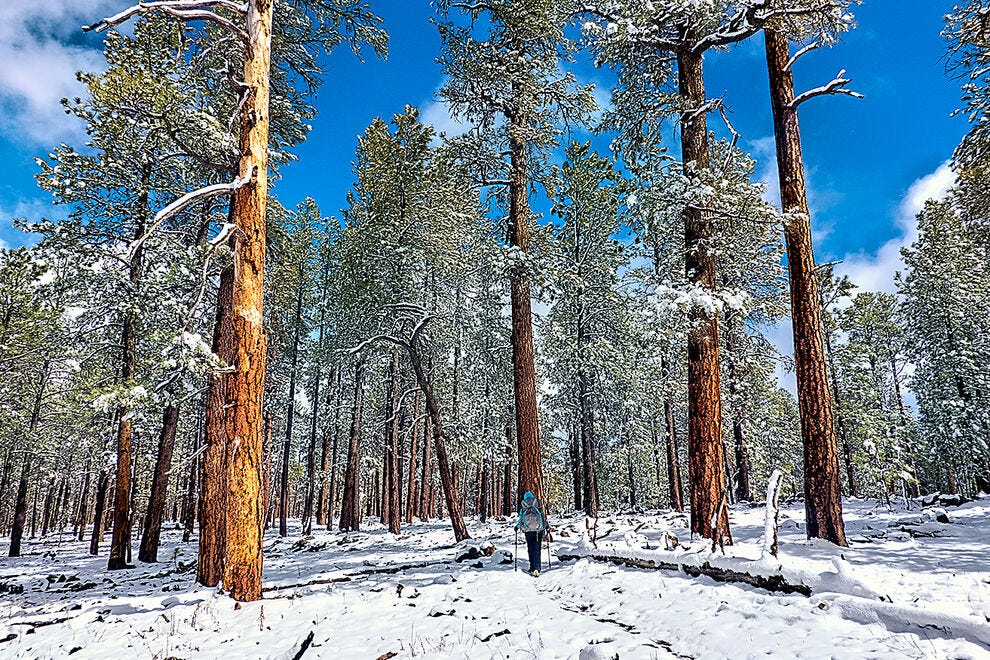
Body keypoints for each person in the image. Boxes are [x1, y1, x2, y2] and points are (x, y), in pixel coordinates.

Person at [516, 491, 550, 576]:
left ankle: (532, 566)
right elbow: (543, 516)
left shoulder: (524, 506)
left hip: (528, 531)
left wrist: (517, 527)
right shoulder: (537, 504)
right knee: (537, 549)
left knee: (530, 548)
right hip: (538, 530)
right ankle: (537, 568)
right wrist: (547, 527)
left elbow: (521, 518)